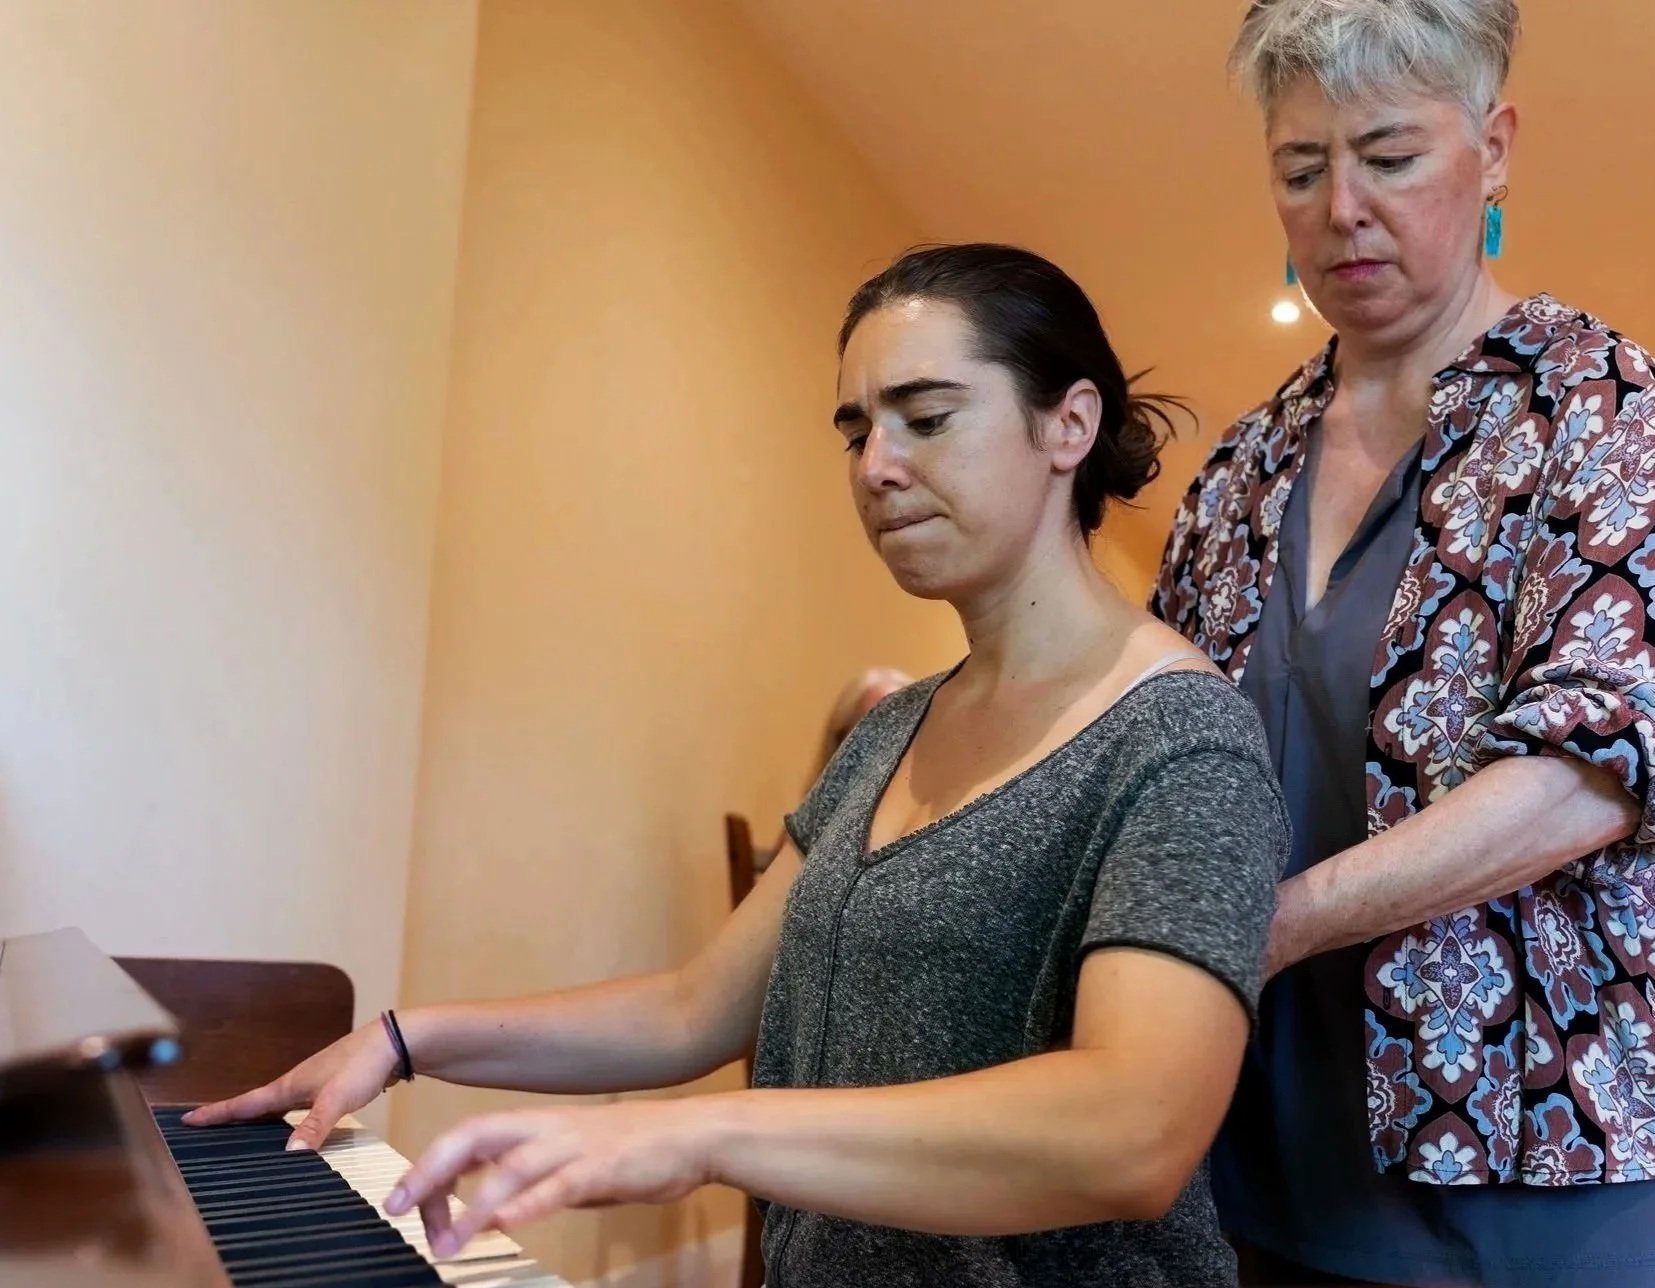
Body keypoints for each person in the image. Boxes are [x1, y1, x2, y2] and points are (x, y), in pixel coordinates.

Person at [188, 244, 1289, 1287]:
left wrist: (705, 1133)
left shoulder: (1181, 739)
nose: (876, 466)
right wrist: (405, 1036)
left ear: (1069, 425)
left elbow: (1134, 1129)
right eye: (855, 428)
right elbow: (692, 1010)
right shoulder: (893, 727)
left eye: (927, 416)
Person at [1150, 3, 1655, 1285]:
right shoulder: (1238, 474)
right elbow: (1158, 765)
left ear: (1491, 149)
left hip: (1573, 1182)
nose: (1340, 207)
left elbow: (1587, 775)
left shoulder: (1599, 409)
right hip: (1278, 1177)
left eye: (1388, 155)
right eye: (1300, 168)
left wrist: (1269, 924)